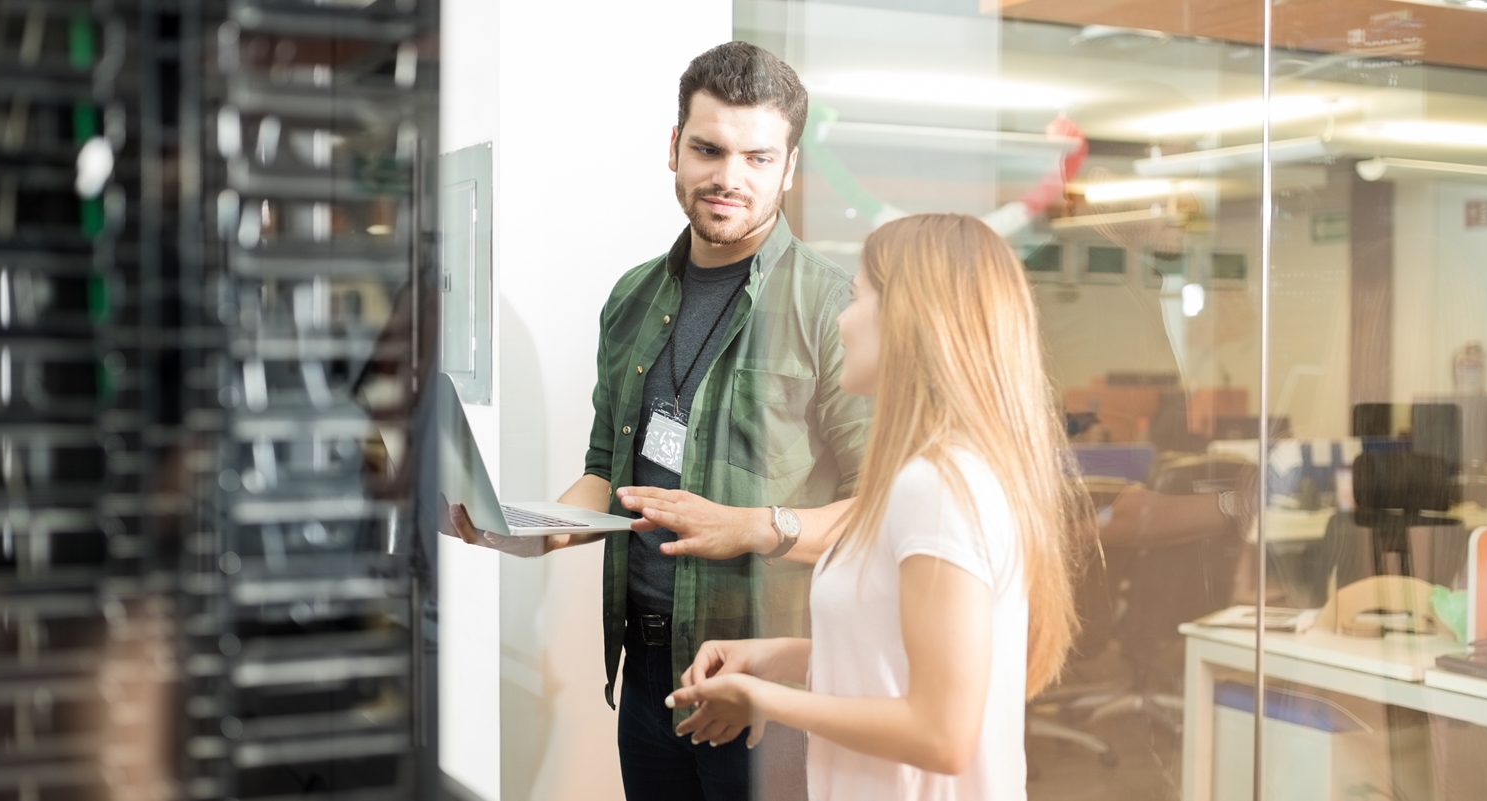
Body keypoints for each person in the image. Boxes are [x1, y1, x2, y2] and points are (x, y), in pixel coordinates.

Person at [447, 42, 871, 800]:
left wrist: (753, 526)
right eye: (708, 149)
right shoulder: (632, 299)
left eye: (757, 157)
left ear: (790, 169)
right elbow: (606, 473)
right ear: (674, 146)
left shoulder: (835, 310)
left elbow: (881, 515)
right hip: (646, 680)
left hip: (766, 691)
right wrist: (528, 529)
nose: (728, 179)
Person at [666, 214, 1091, 800]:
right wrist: (777, 658)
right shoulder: (929, 477)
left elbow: (941, 733)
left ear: (909, 320)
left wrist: (765, 700)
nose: (841, 321)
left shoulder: (938, 488)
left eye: (858, 297)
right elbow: (899, 658)